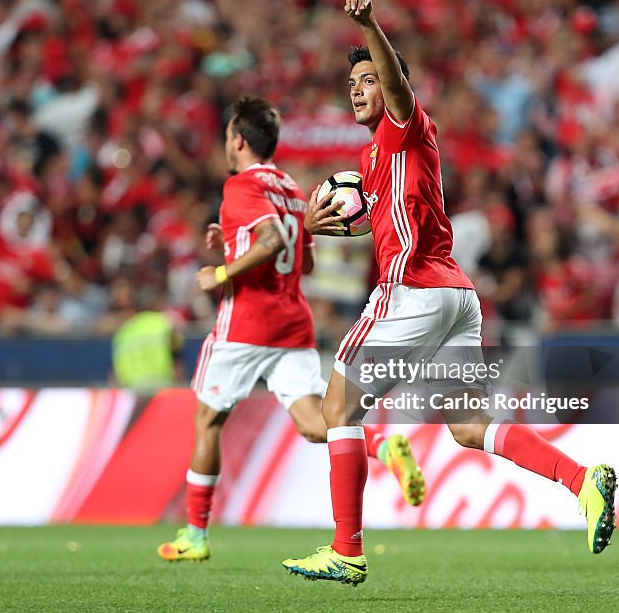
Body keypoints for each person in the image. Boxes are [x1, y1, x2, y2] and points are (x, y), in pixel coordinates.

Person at [281, 0, 617, 586]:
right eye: (349, 83)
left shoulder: (403, 126)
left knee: (336, 410)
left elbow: (399, 92)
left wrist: (367, 25)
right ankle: (581, 481)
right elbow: (380, 219)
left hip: (411, 290)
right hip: (455, 297)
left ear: (387, 84)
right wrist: (322, 226)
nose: (356, 91)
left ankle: (346, 549)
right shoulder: (372, 159)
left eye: (367, 81)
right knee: (467, 426)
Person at [157, 96, 425, 563]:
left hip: (245, 322)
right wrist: (232, 244)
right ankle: (384, 445)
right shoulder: (293, 190)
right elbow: (304, 258)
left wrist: (220, 274)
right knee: (312, 422)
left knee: (208, 420)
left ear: (238, 140)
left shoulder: (240, 186)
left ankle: (195, 536)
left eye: (227, 137)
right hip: (293, 320)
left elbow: (271, 240)